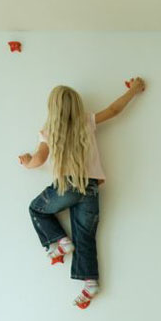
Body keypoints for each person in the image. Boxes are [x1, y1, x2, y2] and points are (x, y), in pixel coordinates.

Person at [19, 78, 146, 308]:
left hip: (66, 186)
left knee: (36, 209)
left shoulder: (48, 132)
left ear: (52, 108)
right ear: (77, 106)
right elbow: (114, 109)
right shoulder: (87, 121)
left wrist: (27, 161)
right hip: (91, 189)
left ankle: (60, 242)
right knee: (85, 237)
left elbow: (38, 159)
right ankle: (90, 284)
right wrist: (133, 91)